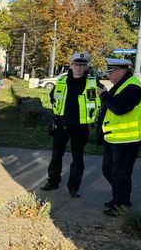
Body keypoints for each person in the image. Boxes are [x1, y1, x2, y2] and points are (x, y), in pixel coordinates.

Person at [40, 52, 101, 197]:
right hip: (61, 125)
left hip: (80, 127)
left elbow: (102, 99)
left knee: (77, 158)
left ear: (86, 67)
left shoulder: (93, 83)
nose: (79, 68)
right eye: (76, 64)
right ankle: (53, 182)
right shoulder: (61, 81)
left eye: (82, 65)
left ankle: (74, 187)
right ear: (71, 65)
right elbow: (53, 97)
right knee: (56, 155)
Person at [96, 58, 141, 216]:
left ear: (121, 71)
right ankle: (118, 198)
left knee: (120, 174)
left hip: (128, 140)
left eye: (110, 73)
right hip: (114, 138)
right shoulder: (121, 85)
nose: (108, 76)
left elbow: (119, 108)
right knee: (108, 171)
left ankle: (121, 205)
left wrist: (104, 95)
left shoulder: (132, 87)